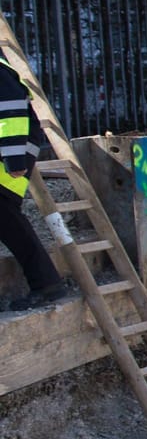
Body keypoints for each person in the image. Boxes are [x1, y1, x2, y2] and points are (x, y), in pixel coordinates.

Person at [1, 58, 67, 311]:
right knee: (9, 223)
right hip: (9, 157)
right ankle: (46, 282)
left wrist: (14, 158)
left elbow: (12, 112)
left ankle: (46, 283)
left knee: (10, 222)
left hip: (8, 161)